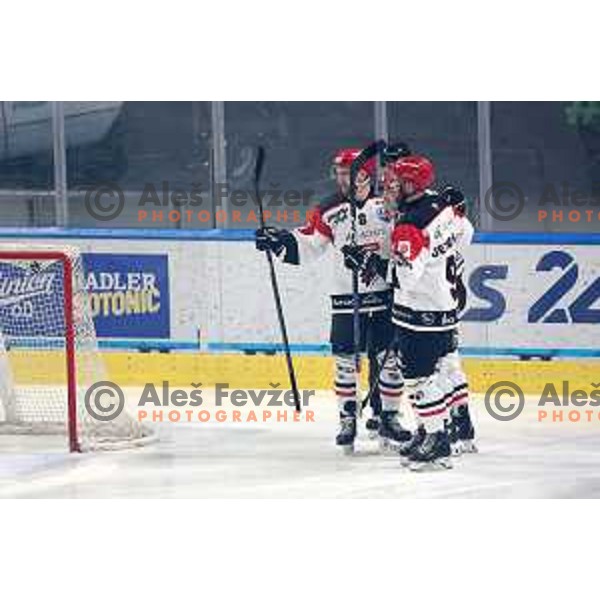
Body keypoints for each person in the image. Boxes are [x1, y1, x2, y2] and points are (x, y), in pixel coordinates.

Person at [255, 147, 409, 452]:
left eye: (346, 173)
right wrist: (279, 242)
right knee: (344, 363)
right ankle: (347, 418)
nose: (341, 180)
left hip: (386, 296)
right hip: (346, 299)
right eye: (338, 174)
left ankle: (390, 416)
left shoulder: (389, 204)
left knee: (390, 362)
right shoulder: (329, 208)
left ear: (365, 174)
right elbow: (309, 242)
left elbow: (407, 236)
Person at [386, 155, 468, 469]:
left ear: (411, 184)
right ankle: (431, 430)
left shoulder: (410, 224)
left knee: (419, 378)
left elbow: (405, 279)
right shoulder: (441, 205)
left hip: (421, 312)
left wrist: (375, 265)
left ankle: (438, 442)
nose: (392, 186)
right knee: (436, 374)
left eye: (397, 181)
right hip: (444, 308)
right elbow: (462, 230)